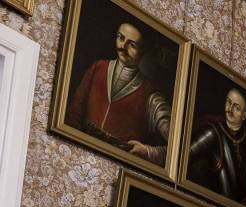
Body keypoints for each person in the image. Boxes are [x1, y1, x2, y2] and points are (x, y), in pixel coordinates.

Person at [65, 21, 171, 165]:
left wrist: (148, 152)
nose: (122, 47)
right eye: (120, 38)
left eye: (132, 45)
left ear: (143, 51)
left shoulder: (151, 96)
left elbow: (178, 149)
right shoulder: (98, 67)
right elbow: (75, 109)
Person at [186, 88, 246, 206]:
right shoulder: (211, 132)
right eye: (228, 102)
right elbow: (185, 158)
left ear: (244, 116)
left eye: (236, 108)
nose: (230, 109)